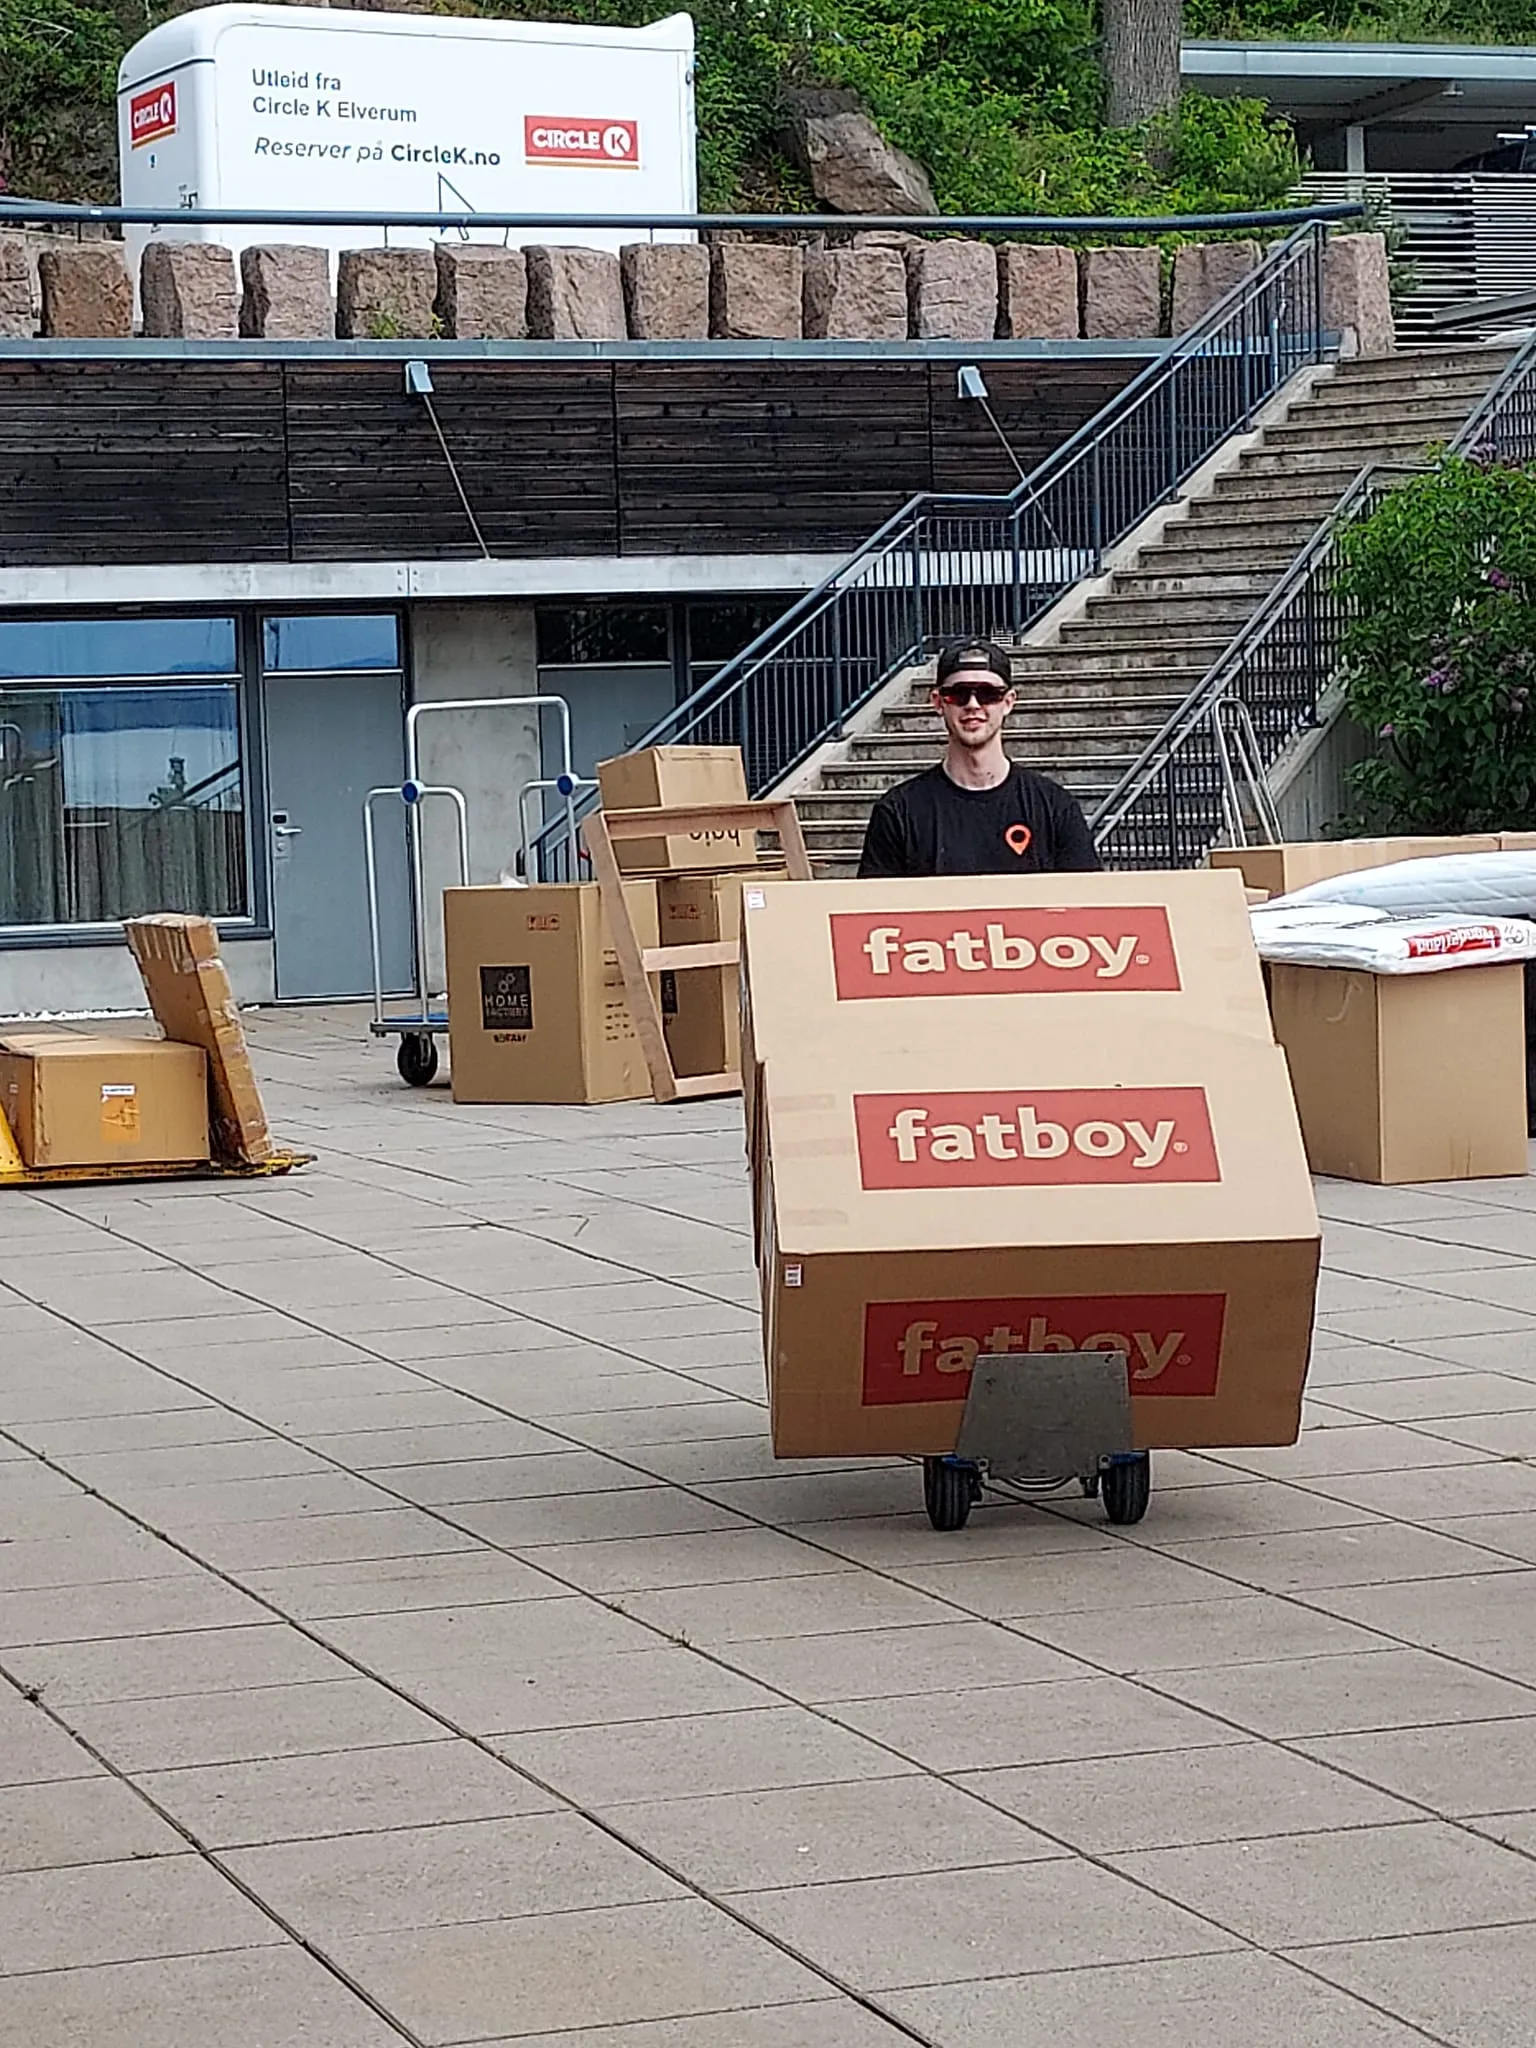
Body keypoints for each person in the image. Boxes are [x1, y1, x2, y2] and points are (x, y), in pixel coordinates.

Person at [857, 636, 1102, 879]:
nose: (973, 704)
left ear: (1008, 702)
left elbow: (1087, 906)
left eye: (988, 693)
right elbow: (874, 912)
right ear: (938, 702)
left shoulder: (1054, 807)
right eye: (959, 693)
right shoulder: (898, 812)